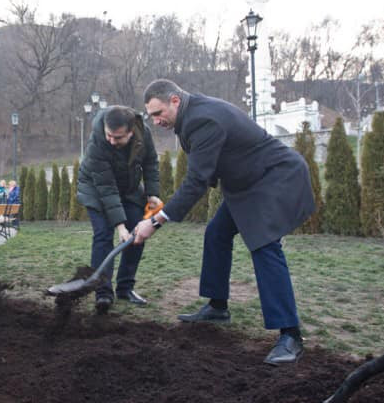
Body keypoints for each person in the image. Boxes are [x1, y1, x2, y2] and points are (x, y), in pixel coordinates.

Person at [134, 79, 315, 365]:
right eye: (151, 116)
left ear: (175, 101)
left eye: (158, 113)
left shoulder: (202, 120)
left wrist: (155, 222)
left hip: (274, 179)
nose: (156, 121)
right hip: (246, 184)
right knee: (217, 233)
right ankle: (217, 306)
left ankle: (290, 336)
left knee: (264, 248)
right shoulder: (193, 115)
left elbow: (196, 181)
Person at [77, 105, 161, 312]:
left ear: (131, 132)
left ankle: (125, 288)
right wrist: (120, 227)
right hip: (97, 190)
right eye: (109, 135)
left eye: (118, 138)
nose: (112, 141)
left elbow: (150, 163)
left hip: (129, 188)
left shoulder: (144, 135)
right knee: (104, 236)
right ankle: (103, 293)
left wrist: (152, 193)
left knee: (138, 232)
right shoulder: (98, 142)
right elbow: (106, 188)